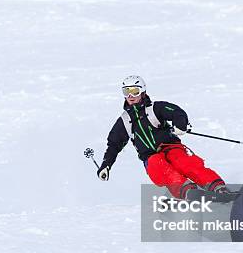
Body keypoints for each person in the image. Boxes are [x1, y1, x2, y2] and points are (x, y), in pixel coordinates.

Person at [97, 75, 228, 199]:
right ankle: (188, 191)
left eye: (134, 91)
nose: (130, 96)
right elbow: (113, 145)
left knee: (183, 161)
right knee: (158, 166)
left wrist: (180, 125)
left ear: (142, 92)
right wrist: (106, 165)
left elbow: (177, 112)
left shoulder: (155, 108)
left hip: (170, 147)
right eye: (126, 92)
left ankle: (217, 187)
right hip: (150, 157)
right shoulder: (124, 120)